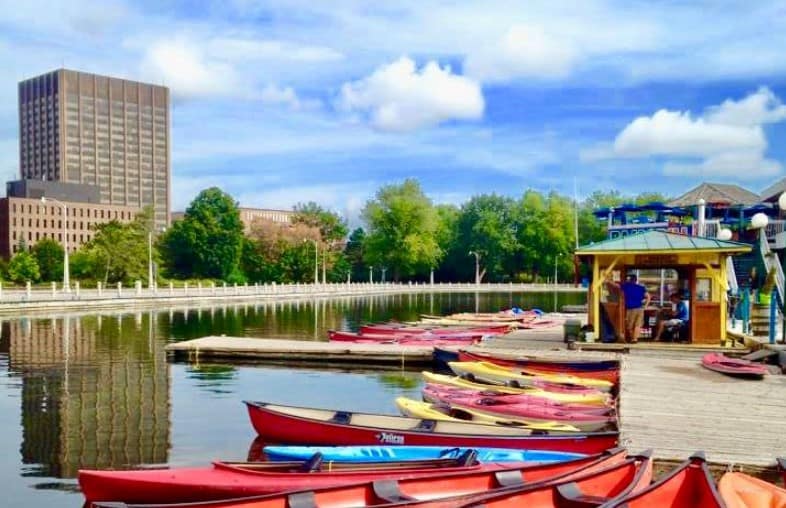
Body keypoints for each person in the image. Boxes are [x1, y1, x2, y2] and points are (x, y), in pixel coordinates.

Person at [609, 274, 650, 343]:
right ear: (636, 280)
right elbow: (648, 296)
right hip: (640, 309)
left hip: (631, 309)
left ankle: (632, 338)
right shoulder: (641, 287)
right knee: (638, 325)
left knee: (629, 326)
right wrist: (645, 306)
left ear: (629, 280)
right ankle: (635, 339)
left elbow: (615, 285)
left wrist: (608, 280)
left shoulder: (626, 286)